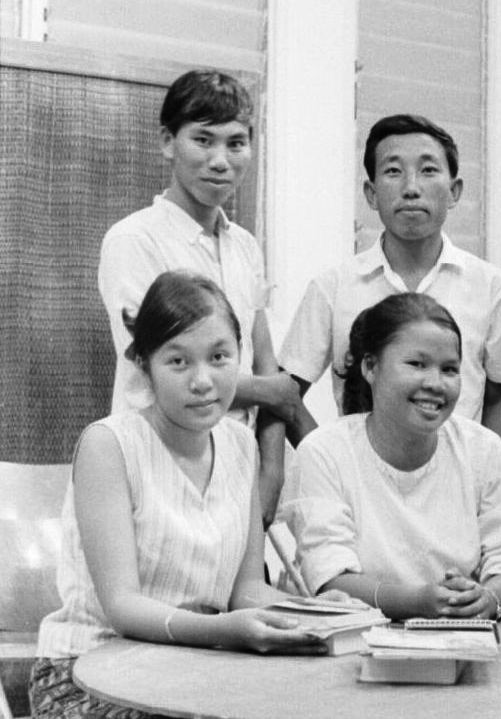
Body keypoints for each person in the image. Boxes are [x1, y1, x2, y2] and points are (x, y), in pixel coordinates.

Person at [31, 272, 329, 719]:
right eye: (178, 362)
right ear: (143, 364)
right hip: (89, 672)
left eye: (219, 356)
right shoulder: (108, 444)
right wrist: (223, 631)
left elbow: (246, 591)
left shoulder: (240, 445)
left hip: (197, 667)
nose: (203, 380)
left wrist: (318, 612)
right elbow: (123, 607)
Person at [98, 70, 310, 527]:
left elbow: (264, 361)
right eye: (203, 140)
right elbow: (153, 364)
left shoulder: (245, 247)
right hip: (156, 468)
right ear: (168, 141)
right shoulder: (135, 240)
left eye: (236, 143)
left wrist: (270, 473)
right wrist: (270, 391)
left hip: (235, 469)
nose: (220, 160)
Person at [281, 293, 501, 620]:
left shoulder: (483, 450)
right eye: (416, 364)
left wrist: (488, 599)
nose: (435, 383)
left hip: (465, 639)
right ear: (371, 367)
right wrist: (417, 601)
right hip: (351, 645)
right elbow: (330, 578)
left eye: (449, 369)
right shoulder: (324, 452)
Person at [279, 114, 501, 456]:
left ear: (454, 192)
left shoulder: (490, 286)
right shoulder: (332, 287)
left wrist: (498, 487)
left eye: (428, 170)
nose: (411, 188)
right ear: (372, 194)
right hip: (360, 494)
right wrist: (332, 459)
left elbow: (499, 396)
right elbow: (284, 395)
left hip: (457, 487)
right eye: (393, 171)